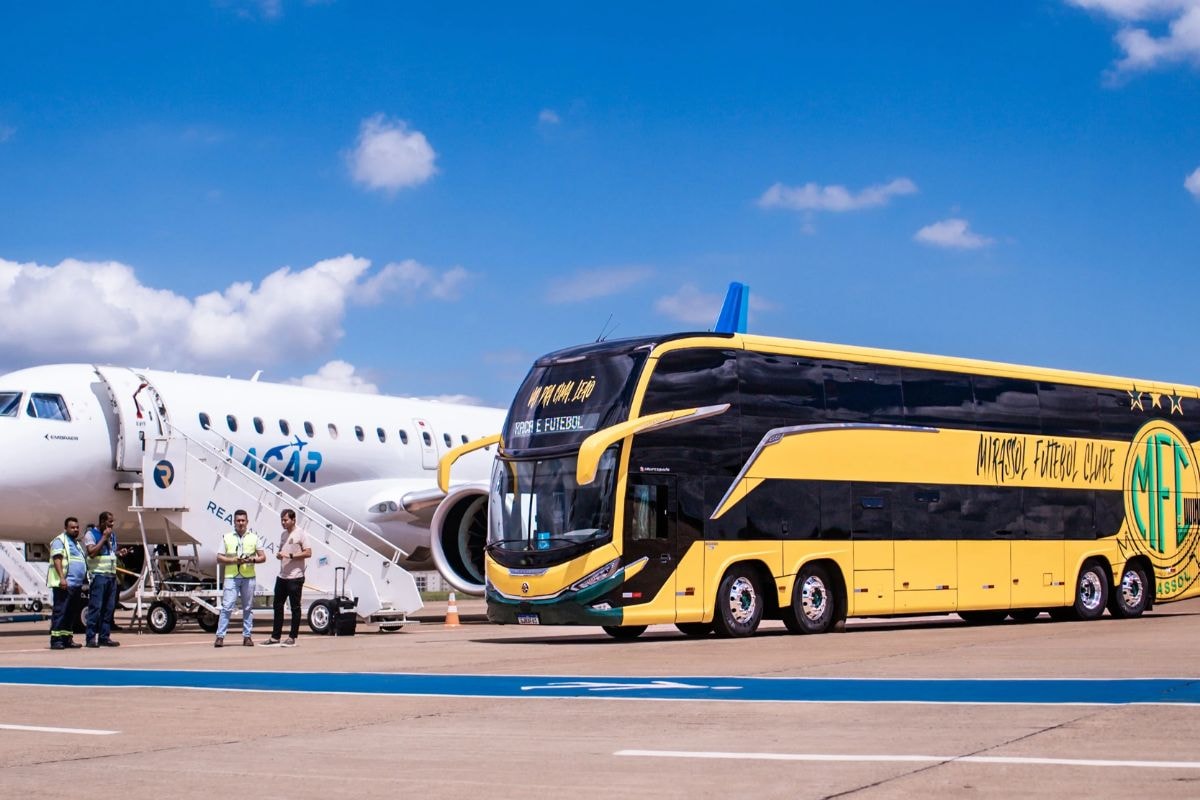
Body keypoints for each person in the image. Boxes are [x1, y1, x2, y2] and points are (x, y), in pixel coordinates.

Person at [214, 509, 265, 648]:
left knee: (248, 607)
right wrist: (233, 560)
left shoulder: (254, 538)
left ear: (247, 522)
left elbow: (263, 557)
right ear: (234, 522)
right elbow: (219, 557)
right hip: (231, 576)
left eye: (243, 520)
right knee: (227, 607)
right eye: (238, 520)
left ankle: (247, 636)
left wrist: (252, 560)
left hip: (248, 577)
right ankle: (220, 636)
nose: (241, 523)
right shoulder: (227, 537)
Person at [265, 509, 311, 647]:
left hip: (295, 576)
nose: (283, 522)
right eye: (282, 520)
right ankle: (275, 636)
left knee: (295, 607)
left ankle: (292, 636)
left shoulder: (301, 534)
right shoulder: (283, 535)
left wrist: (291, 556)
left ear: (293, 520)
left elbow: (308, 552)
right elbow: (283, 551)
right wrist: (280, 555)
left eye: (285, 520)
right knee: (277, 605)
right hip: (282, 576)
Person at [47, 517, 87, 650]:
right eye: (72, 527)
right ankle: (56, 640)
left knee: (71, 613)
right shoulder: (60, 541)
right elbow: (57, 559)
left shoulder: (75, 543)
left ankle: (67, 638)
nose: (75, 529)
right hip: (65, 584)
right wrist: (62, 578)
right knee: (60, 611)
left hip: (76, 584)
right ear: (66, 528)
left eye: (77, 527)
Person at [83, 512, 121, 647]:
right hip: (98, 576)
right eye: (110, 522)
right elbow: (92, 553)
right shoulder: (91, 535)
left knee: (108, 609)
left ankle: (104, 637)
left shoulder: (113, 535)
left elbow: (109, 553)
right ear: (103, 521)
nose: (112, 524)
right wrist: (104, 538)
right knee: (96, 608)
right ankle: (90, 638)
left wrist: (118, 553)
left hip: (111, 576)